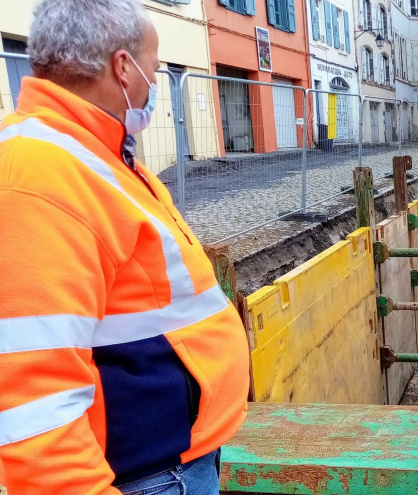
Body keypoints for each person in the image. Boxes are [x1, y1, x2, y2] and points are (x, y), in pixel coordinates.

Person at [0, 0, 250, 493]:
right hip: (151, 476)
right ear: (123, 68)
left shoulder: (93, 155)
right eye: (155, 71)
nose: (154, 85)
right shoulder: (41, 178)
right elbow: (32, 400)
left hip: (172, 462)